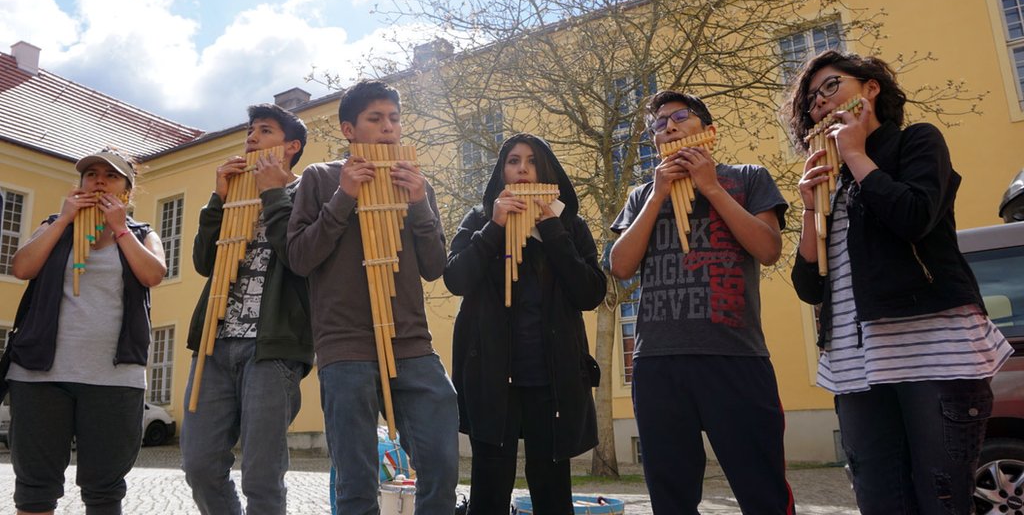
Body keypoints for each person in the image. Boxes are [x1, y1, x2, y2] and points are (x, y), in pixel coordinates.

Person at [785, 50, 1013, 514]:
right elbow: (810, 286)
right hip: (856, 365)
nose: (822, 104)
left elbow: (913, 216)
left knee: (942, 500)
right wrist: (810, 206)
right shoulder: (833, 183)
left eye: (832, 86)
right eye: (811, 100)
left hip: (935, 351)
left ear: (870, 89)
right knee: (881, 502)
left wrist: (854, 152)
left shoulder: (916, 143)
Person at [609, 91, 794, 514]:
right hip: (658, 361)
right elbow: (620, 266)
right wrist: (657, 195)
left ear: (708, 132)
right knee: (671, 498)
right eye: (659, 125)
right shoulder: (641, 196)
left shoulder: (748, 177)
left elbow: (768, 250)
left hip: (734, 356)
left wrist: (711, 187)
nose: (669, 127)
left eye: (679, 117)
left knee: (762, 490)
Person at [287, 80, 459, 514]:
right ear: (349, 129)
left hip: (411, 342)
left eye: (395, 119)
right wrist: (345, 197)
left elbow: (436, 266)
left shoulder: (416, 183)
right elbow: (300, 258)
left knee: (440, 465)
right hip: (344, 345)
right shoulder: (320, 178)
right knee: (356, 479)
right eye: (376, 119)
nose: (389, 128)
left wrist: (419, 203)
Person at [444, 133, 605, 513]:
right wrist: (494, 229)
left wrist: (552, 230)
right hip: (491, 375)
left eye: (531, 161)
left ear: (545, 170)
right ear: (502, 172)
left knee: (552, 491)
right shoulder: (481, 219)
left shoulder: (570, 225)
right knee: (488, 489)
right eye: (513, 161)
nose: (522, 169)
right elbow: (455, 279)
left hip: (552, 377)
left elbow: (590, 294)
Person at [7, 148, 166, 515]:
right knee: (34, 490)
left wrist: (120, 228)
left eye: (110, 176)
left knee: (104, 491)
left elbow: (153, 274)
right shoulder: (53, 225)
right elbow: (23, 268)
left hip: (114, 377)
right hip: (40, 374)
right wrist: (63, 221)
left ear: (127, 190)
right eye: (91, 174)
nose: (98, 181)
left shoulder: (142, 234)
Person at [180, 103, 313, 515]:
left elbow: (302, 260)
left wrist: (273, 192)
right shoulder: (234, 195)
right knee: (199, 466)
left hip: (272, 348)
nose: (251, 138)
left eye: (265, 131)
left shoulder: (310, 191)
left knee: (261, 475)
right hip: (214, 344)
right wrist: (217, 199)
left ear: (291, 146)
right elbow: (205, 263)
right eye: (250, 131)